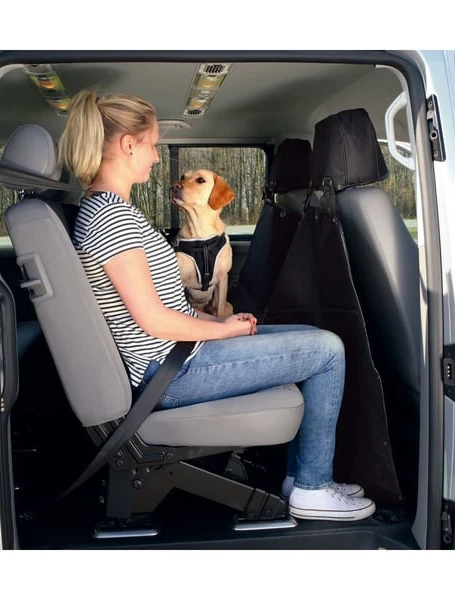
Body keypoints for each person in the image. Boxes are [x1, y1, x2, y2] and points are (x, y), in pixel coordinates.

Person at [58, 89, 376, 522]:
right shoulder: (111, 217)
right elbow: (152, 318)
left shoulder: (112, 211)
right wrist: (223, 329)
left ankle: (301, 478)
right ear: (128, 144)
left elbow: (164, 304)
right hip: (170, 373)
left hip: (178, 357)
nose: (156, 157)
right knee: (327, 350)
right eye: (152, 145)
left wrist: (216, 320)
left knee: (313, 337)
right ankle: (312, 487)